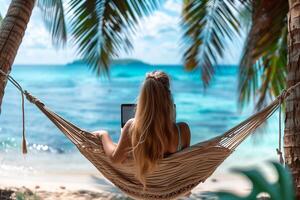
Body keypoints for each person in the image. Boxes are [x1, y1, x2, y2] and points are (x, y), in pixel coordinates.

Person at [93, 70, 191, 187]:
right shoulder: (183, 130)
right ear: (168, 98)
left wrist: (104, 135)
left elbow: (115, 159)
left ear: (143, 100)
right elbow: (184, 166)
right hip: (169, 187)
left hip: (142, 186)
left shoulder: (132, 127)